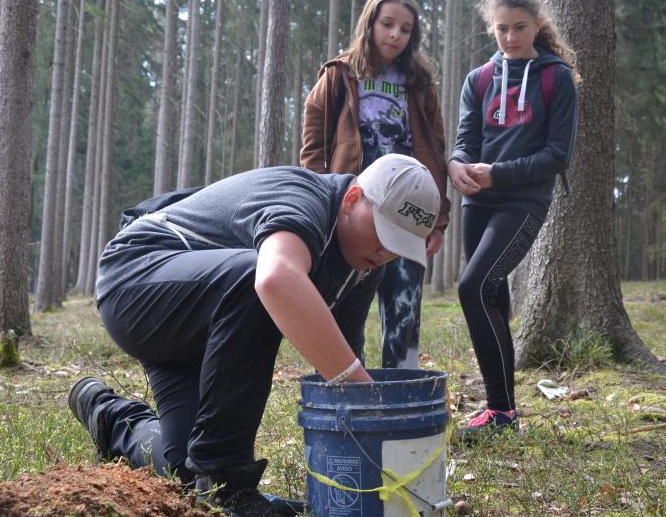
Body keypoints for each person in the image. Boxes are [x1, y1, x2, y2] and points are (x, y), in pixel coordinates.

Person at [68, 154, 441, 517]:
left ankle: (112, 417)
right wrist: (364, 392)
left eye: (400, 246)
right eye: (384, 234)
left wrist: (375, 455)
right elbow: (274, 279)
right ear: (352, 199)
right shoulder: (303, 199)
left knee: (187, 474)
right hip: (137, 282)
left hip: (202, 330)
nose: (387, 252)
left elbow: (343, 358)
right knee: (253, 275)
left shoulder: (363, 267)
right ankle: (228, 481)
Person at [448, 0, 579, 440]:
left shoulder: (556, 78)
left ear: (538, 24)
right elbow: (466, 141)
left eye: (519, 27)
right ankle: (501, 411)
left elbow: (557, 156)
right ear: (491, 27)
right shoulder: (479, 79)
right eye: (501, 28)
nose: (510, 37)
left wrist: (497, 174)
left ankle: (501, 411)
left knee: (471, 287)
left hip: (523, 201)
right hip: (477, 200)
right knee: (492, 296)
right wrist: (456, 164)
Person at [301, 0, 450, 370]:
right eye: (387, 25)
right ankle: (346, 385)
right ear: (369, 24)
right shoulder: (338, 75)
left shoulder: (419, 84)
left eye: (405, 29)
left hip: (407, 209)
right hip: (353, 210)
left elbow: (435, 150)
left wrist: (438, 218)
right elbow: (314, 146)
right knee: (344, 305)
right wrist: (319, 204)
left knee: (404, 305)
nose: (395, 35)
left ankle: (401, 387)